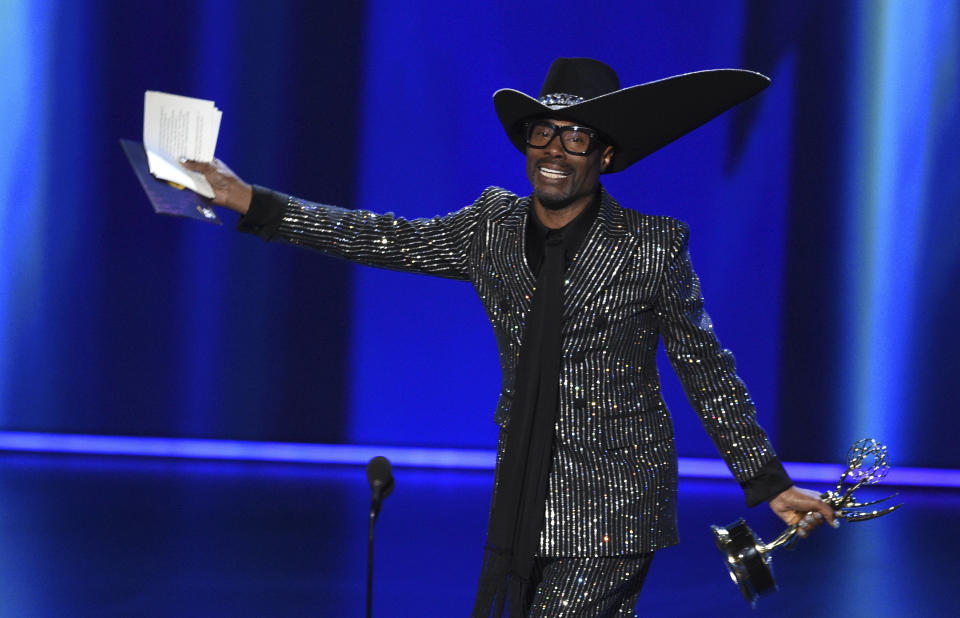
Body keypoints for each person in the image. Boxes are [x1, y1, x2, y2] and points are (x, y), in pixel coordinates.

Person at [185, 58, 837, 617]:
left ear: (606, 154)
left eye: (576, 137)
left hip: (615, 499)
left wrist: (766, 480)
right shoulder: (490, 225)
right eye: (543, 132)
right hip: (525, 488)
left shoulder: (650, 247)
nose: (554, 149)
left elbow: (705, 366)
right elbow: (382, 237)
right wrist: (256, 204)